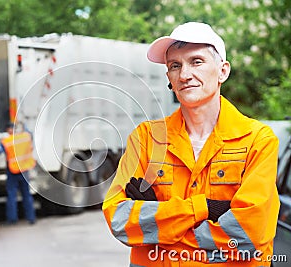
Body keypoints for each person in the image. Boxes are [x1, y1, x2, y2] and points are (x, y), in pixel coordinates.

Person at [102, 22, 280, 266]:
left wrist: (159, 225)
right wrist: (203, 208)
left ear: (223, 71)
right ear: (169, 78)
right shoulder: (145, 139)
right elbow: (119, 221)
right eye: (175, 66)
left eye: (196, 61)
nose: (184, 75)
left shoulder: (258, 140)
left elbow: (249, 236)